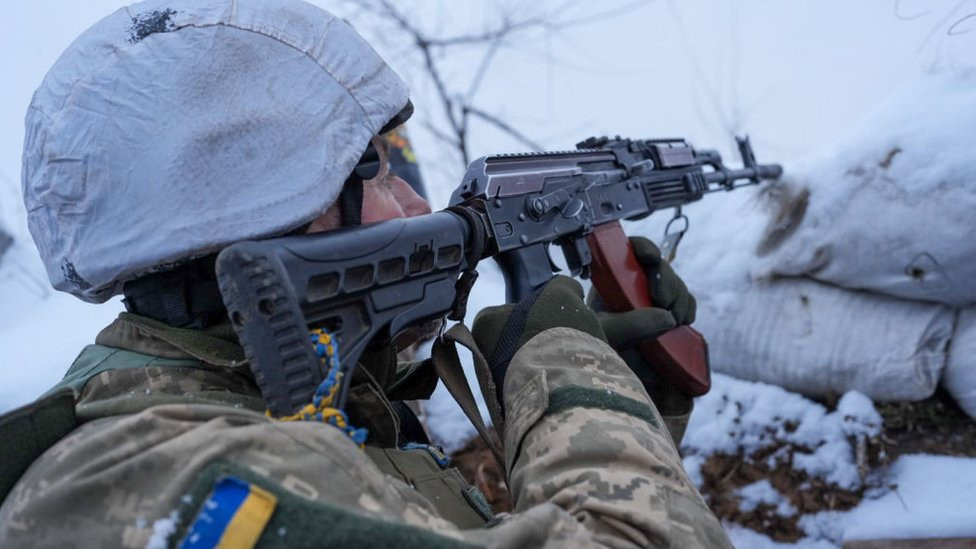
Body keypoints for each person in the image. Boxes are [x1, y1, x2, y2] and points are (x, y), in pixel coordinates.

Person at [0, 1, 732, 547]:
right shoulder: (164, 481)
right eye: (376, 171)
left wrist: (618, 396)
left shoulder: (278, 402)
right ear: (266, 209)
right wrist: (567, 368)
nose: (419, 203)